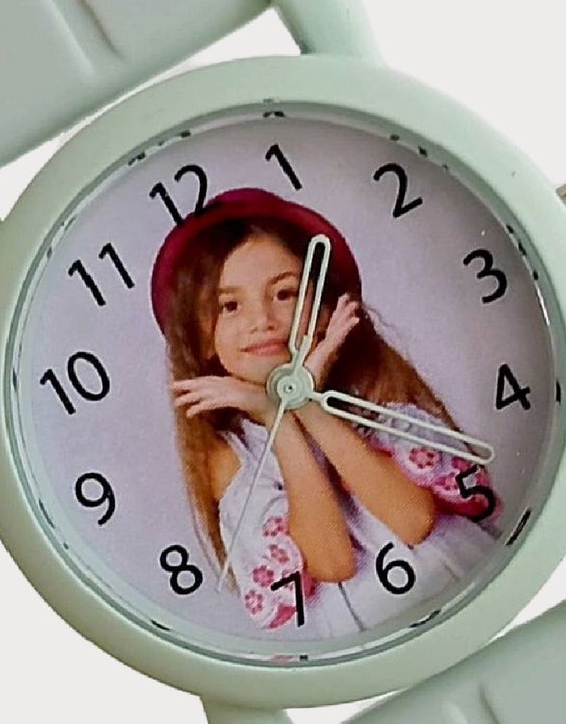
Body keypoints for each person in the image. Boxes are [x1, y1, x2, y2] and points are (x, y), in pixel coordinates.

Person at [152, 189, 497, 634]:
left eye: (284, 293)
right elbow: (332, 561)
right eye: (230, 306)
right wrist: (276, 417)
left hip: (468, 582)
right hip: (371, 639)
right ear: (203, 341)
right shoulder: (229, 457)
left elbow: (413, 521)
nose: (262, 320)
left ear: (325, 308)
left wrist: (306, 403)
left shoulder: (372, 398)